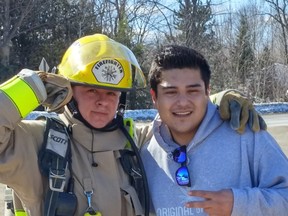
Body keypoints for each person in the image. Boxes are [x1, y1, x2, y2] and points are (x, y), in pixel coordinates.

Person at [0, 33, 265, 216]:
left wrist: (213, 103)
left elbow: (176, 119)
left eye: (112, 93)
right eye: (92, 90)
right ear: (69, 91)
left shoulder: (135, 141)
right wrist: (31, 86)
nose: (103, 101)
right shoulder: (37, 142)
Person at [139, 45, 288, 216]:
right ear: (154, 97)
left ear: (208, 91)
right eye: (171, 92)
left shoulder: (245, 133)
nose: (182, 102)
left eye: (193, 90)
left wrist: (239, 204)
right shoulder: (145, 154)